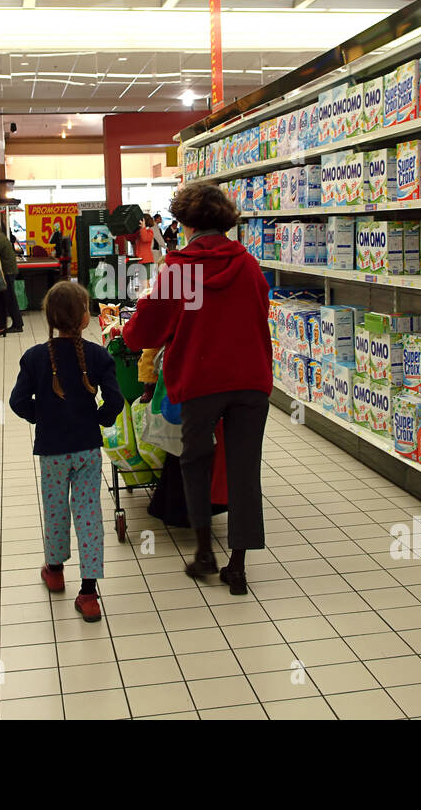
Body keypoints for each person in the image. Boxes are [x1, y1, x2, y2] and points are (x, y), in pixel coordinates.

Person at [121, 181, 271, 596]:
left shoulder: (180, 269)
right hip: (250, 380)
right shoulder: (248, 264)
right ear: (225, 221)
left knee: (195, 462)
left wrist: (129, 333)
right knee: (244, 471)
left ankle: (204, 551)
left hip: (201, 380)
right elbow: (260, 311)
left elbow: (147, 327)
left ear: (185, 223)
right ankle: (238, 566)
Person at [9, 282, 124, 622]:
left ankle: (55, 571)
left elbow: (17, 401)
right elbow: (115, 400)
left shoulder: (34, 357)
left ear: (50, 318)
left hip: (53, 451)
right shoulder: (98, 355)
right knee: (88, 515)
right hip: (87, 448)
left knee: (56, 510)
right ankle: (89, 594)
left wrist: (41, 417)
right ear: (85, 318)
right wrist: (99, 418)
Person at [0, 218, 24, 333]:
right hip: (9, 270)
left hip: (7, 271)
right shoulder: (1, 236)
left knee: (10, 299)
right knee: (6, 299)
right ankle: (4, 324)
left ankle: (17, 325)